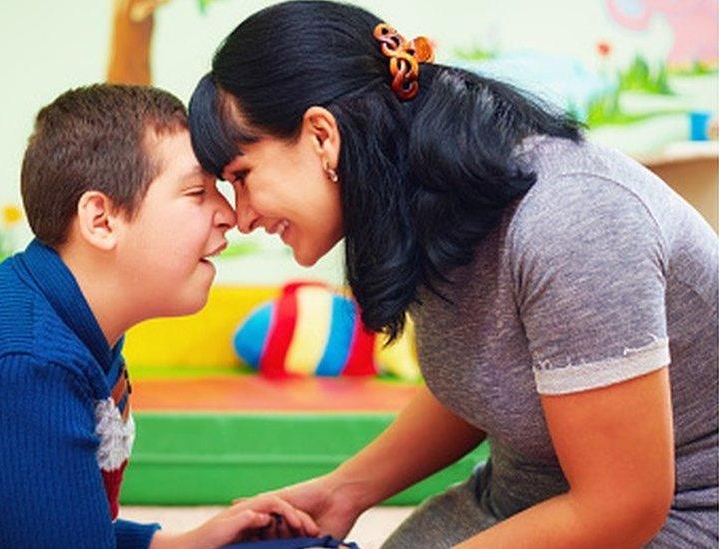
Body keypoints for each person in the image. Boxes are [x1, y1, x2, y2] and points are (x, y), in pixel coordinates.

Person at [187, 1, 719, 546]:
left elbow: (624, 506)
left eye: (243, 175)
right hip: (523, 496)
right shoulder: (423, 195)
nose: (241, 215)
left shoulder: (570, 217)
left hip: (679, 517)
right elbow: (492, 375)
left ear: (322, 135)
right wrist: (345, 491)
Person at [0, 84, 319, 548]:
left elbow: (47, 517)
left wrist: (182, 543)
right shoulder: (23, 359)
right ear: (101, 219)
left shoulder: (71, 328)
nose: (228, 214)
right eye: (195, 193)